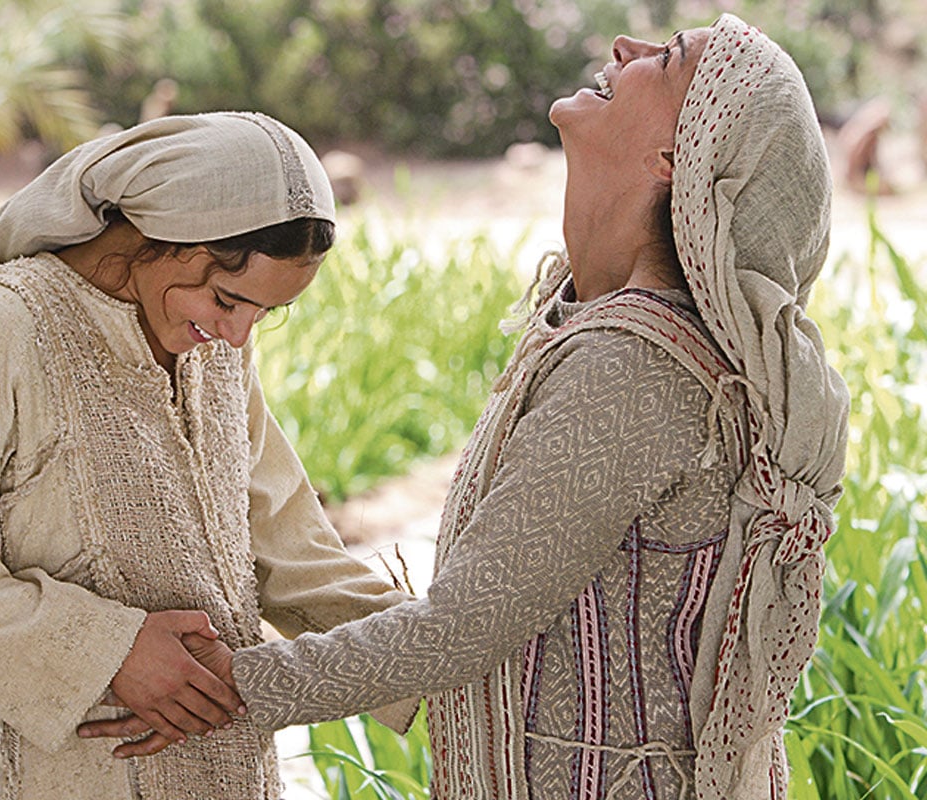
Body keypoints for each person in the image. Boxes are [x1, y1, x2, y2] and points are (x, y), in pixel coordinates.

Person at [82, 15, 850, 799]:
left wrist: (222, 686)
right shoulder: (594, 319)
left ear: (673, 158)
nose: (628, 48)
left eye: (670, 59)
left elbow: (464, 625)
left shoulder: (635, 366)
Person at [0, 112, 415, 800]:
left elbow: (289, 550)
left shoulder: (210, 344)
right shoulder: (4, 323)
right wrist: (107, 650)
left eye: (262, 315)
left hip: (219, 768)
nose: (238, 336)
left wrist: (445, 656)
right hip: (53, 776)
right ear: (161, 234)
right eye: (228, 299)